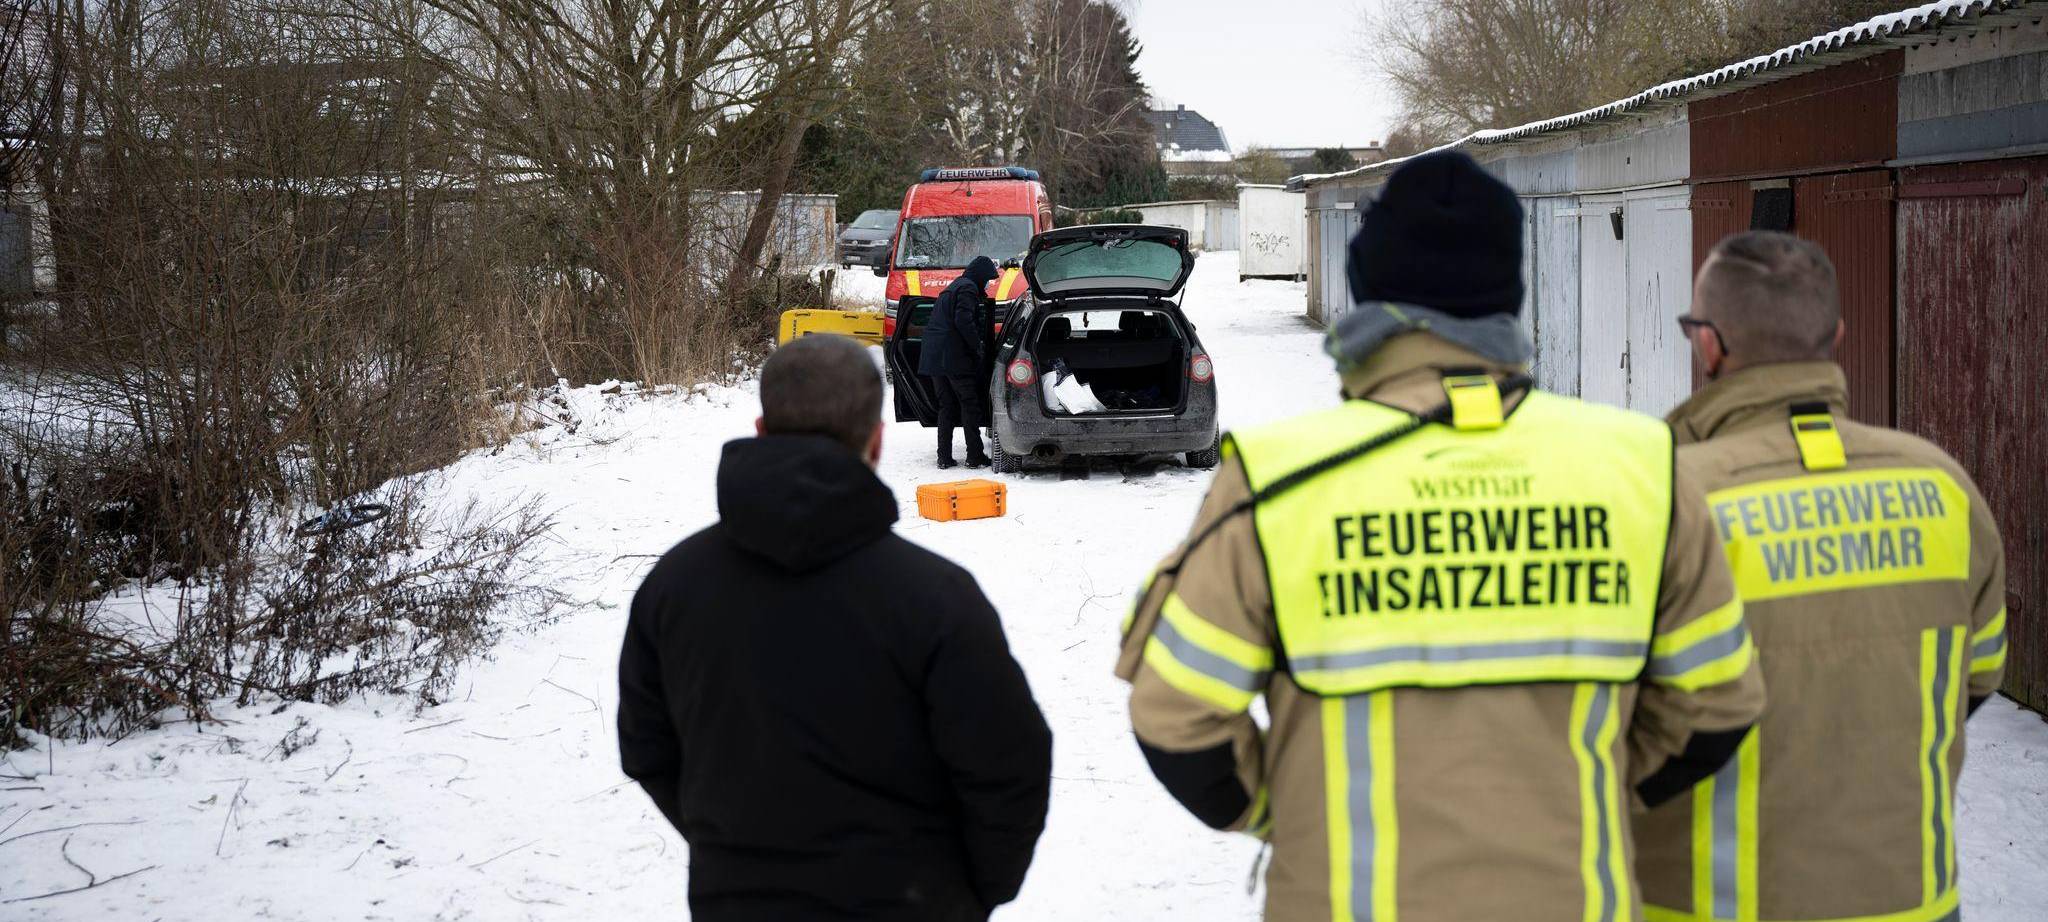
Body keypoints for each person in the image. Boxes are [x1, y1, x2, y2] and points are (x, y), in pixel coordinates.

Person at [1116, 151, 1766, 921]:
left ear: (1367, 296)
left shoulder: (1277, 481)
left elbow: (1176, 715)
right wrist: (1594, 790)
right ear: (1508, 300)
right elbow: (1717, 704)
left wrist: (1284, 812)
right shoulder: (1641, 469)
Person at [1634, 231, 2008, 922]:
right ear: (1834, 335)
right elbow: (1976, 676)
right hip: (1913, 902)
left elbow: (1607, 715)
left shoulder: (1660, 497)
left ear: (1708, 344)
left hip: (1708, 906)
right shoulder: (1943, 485)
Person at [618, 334, 1052, 921]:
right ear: (876, 440)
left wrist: (735, 852)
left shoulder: (672, 589)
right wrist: (967, 892)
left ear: (761, 430)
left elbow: (648, 752)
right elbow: (1011, 771)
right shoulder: (937, 600)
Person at [920, 255, 999, 468]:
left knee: (946, 407)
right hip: (953, 357)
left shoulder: (955, 286)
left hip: (935, 356)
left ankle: (943, 457)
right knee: (970, 405)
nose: (987, 285)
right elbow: (963, 320)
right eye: (987, 280)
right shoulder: (968, 289)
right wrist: (978, 345)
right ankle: (975, 456)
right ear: (980, 276)